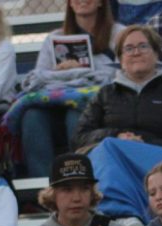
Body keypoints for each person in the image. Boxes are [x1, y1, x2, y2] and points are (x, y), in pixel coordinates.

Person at [17, 0, 121, 180]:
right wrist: (63, 73)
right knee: (32, 116)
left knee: (76, 115)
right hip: (56, 106)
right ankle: (43, 188)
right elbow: (36, 79)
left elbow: (117, 75)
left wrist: (76, 70)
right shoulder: (54, 37)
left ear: (101, 3)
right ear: (70, 4)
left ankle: (82, 181)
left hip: (99, 107)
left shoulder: (118, 33)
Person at [72, 24, 162, 151]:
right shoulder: (105, 94)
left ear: (156, 53)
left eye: (143, 46)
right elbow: (79, 137)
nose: (136, 53)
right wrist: (116, 136)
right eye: (129, 49)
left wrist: (144, 145)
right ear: (120, 58)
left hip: (158, 161)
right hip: (114, 158)